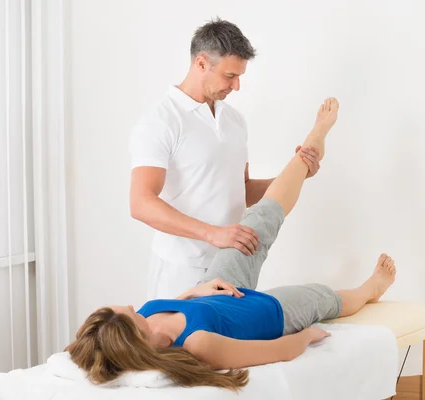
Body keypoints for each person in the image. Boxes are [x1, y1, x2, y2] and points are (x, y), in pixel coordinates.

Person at [70, 98, 397, 391]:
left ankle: (310, 148)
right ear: (133, 335)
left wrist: (200, 290)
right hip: (269, 312)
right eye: (125, 311)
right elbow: (272, 351)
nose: (129, 306)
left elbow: (182, 301)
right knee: (324, 296)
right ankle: (371, 288)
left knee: (258, 219)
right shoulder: (197, 345)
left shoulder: (147, 313)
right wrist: (305, 337)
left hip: (220, 288)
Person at [129, 18, 322, 300]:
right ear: (201, 63)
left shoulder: (234, 121)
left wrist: (297, 173)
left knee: (230, 343)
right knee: (180, 346)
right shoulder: (160, 122)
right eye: (230, 76)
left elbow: (241, 190)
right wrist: (213, 234)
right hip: (181, 271)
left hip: (232, 266)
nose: (237, 86)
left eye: (240, 76)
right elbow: (141, 203)